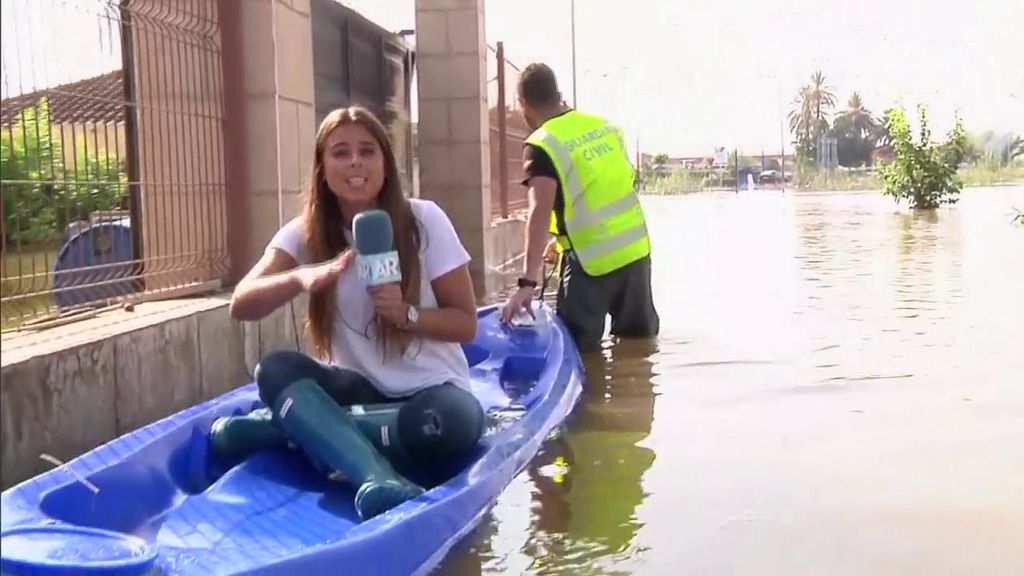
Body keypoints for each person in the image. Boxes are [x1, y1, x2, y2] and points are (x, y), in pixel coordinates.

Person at [215, 105, 484, 521]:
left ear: (385, 163)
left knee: (449, 426)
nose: (355, 162)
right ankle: (378, 478)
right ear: (323, 168)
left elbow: (466, 323)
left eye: (367, 151)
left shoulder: (424, 220)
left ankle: (295, 427)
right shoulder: (304, 232)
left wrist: (407, 314)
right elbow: (242, 303)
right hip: (357, 387)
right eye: (340, 153)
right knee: (274, 371)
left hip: (431, 393)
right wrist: (300, 278)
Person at [500, 63, 659, 353]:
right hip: (635, 254)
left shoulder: (542, 143)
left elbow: (538, 211)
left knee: (579, 356)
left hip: (590, 265)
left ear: (523, 104)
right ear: (558, 93)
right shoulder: (603, 126)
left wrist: (527, 283)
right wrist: (560, 241)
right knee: (639, 350)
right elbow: (608, 188)